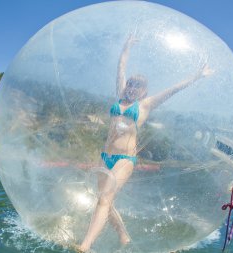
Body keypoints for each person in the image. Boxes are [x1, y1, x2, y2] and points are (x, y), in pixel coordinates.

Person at [78, 35, 213, 252]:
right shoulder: (119, 98)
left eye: (137, 85)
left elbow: (174, 89)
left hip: (125, 159)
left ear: (144, 91)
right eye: (131, 83)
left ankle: (85, 246)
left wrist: (198, 75)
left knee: (104, 199)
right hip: (105, 157)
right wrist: (127, 45)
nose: (132, 87)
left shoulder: (145, 105)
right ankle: (124, 236)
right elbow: (121, 67)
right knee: (105, 200)